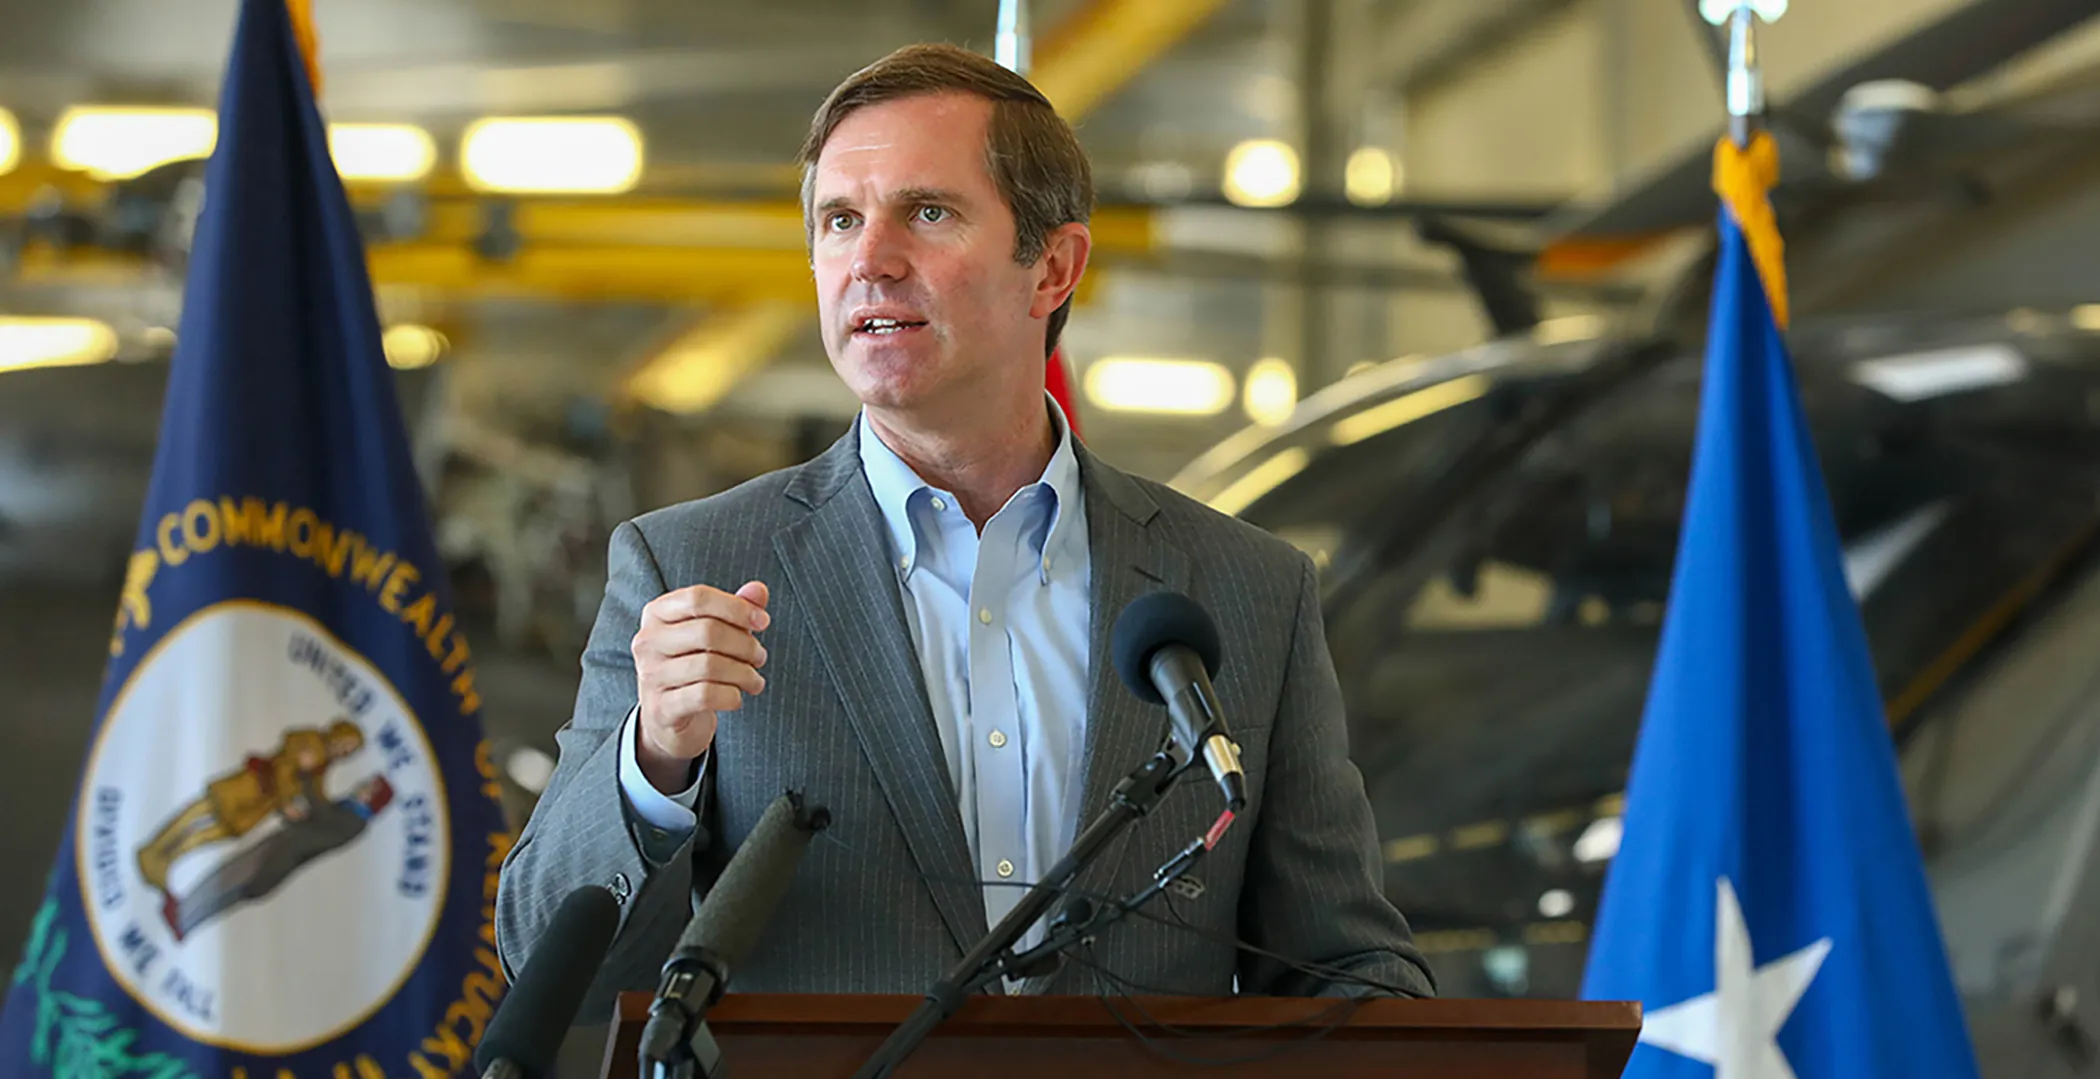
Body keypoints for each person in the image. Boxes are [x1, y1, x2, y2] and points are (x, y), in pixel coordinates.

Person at [495, 42, 1434, 1015]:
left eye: (927, 212)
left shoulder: (1247, 588)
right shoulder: (688, 566)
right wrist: (654, 762)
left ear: (1054, 266)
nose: (870, 258)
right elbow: (551, 965)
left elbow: (1342, 967)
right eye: (840, 220)